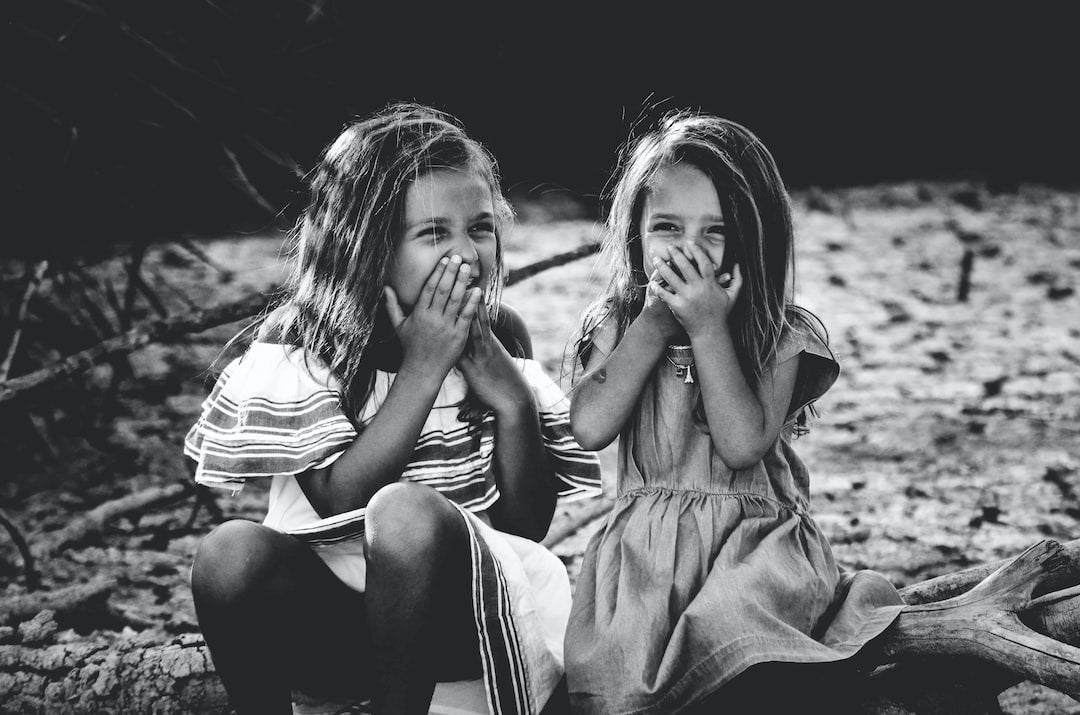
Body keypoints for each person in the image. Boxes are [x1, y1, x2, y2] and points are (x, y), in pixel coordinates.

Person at [184, 102, 602, 715]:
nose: (465, 253)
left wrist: (512, 403)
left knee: (408, 515)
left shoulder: (499, 336)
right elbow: (338, 500)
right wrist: (424, 368)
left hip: (466, 625)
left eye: (480, 228)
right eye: (434, 233)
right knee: (227, 553)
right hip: (333, 626)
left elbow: (523, 530)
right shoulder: (303, 342)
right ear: (369, 246)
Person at [563, 110, 906, 714]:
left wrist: (707, 327)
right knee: (623, 682)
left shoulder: (776, 335)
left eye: (715, 232)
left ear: (754, 238)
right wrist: (651, 326)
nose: (688, 250)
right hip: (647, 562)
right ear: (635, 234)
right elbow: (590, 426)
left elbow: (742, 443)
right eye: (666, 227)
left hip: (751, 551)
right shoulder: (619, 324)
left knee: (735, 628)